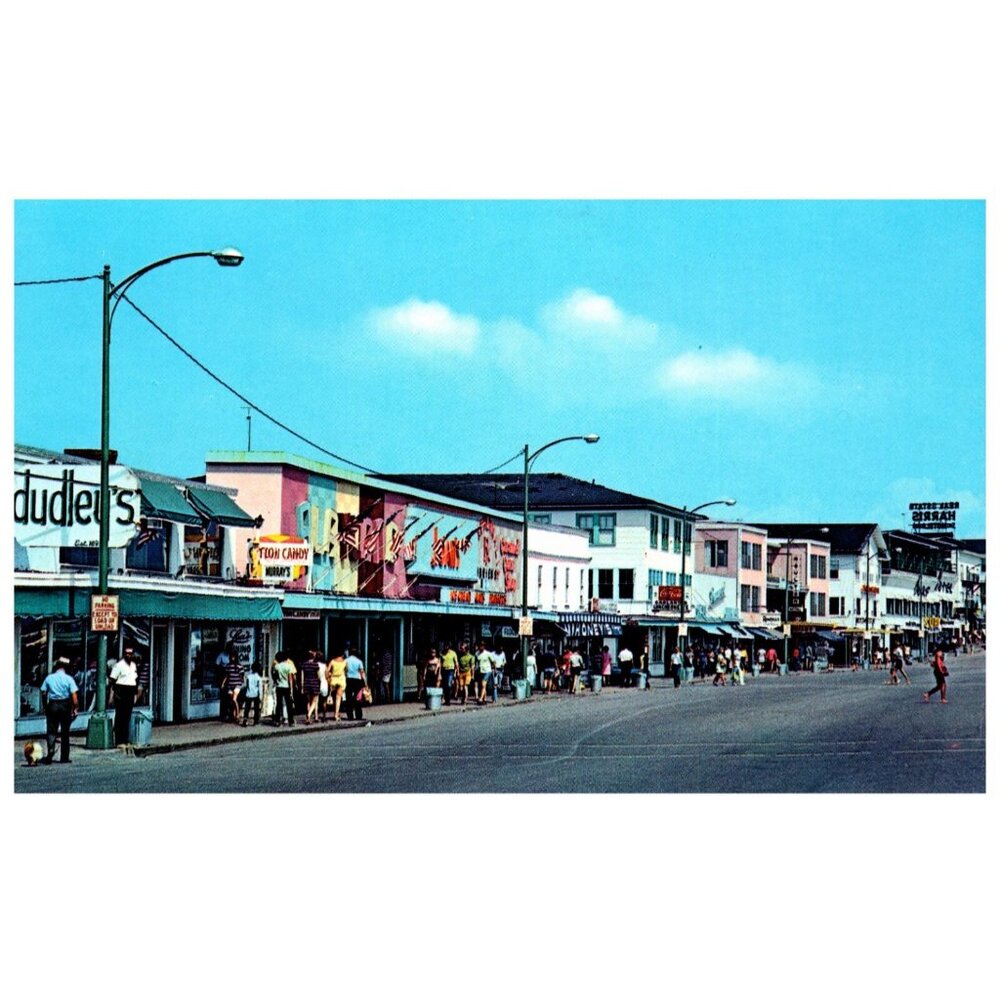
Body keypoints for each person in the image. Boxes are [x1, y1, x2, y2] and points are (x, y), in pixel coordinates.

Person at [40, 656, 78, 764]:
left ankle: (50, 751)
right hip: (65, 705)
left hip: (52, 705)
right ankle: (64, 757)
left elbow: (43, 692)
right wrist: (75, 708)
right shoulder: (69, 679)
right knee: (65, 732)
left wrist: (45, 706)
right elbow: (74, 697)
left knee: (51, 731)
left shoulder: (49, 678)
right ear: (66, 667)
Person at [109, 646, 139, 747]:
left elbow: (135, 679)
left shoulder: (133, 665)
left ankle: (125, 739)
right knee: (120, 716)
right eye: (127, 654)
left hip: (130, 690)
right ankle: (119, 740)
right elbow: (112, 680)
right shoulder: (119, 665)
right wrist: (114, 694)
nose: (129, 655)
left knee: (127, 716)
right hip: (121, 691)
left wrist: (135, 694)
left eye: (130, 654)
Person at [272, 650, 296, 726]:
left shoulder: (277, 666)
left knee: (278, 704)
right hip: (286, 686)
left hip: (279, 686)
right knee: (288, 704)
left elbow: (274, 676)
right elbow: (290, 678)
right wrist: (291, 688)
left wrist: (276, 681)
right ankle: (291, 721)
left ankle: (277, 720)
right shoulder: (288, 666)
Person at [299, 650, 322, 724]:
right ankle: (309, 714)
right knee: (315, 701)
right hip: (315, 683)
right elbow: (318, 676)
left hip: (307, 683)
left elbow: (302, 676)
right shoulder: (315, 665)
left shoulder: (304, 664)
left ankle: (308, 717)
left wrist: (302, 686)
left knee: (308, 701)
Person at [344, 646, 367, 720]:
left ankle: (350, 716)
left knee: (348, 698)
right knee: (358, 698)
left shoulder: (346, 661)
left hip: (348, 680)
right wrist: (365, 682)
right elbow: (362, 672)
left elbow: (344, 671)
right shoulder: (359, 661)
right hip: (357, 681)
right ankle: (358, 715)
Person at [327, 649, 348, 720]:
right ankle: (336, 714)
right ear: (342, 655)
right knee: (338, 698)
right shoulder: (345, 662)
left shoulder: (332, 661)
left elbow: (327, 671)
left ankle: (335, 711)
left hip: (333, 680)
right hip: (341, 680)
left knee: (333, 697)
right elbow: (346, 671)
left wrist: (328, 679)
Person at [242, 661, 262, 726]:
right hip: (256, 694)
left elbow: (246, 685)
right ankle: (255, 720)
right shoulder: (259, 677)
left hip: (249, 693)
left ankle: (245, 719)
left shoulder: (248, 676)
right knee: (256, 708)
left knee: (247, 708)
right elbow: (260, 688)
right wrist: (261, 696)